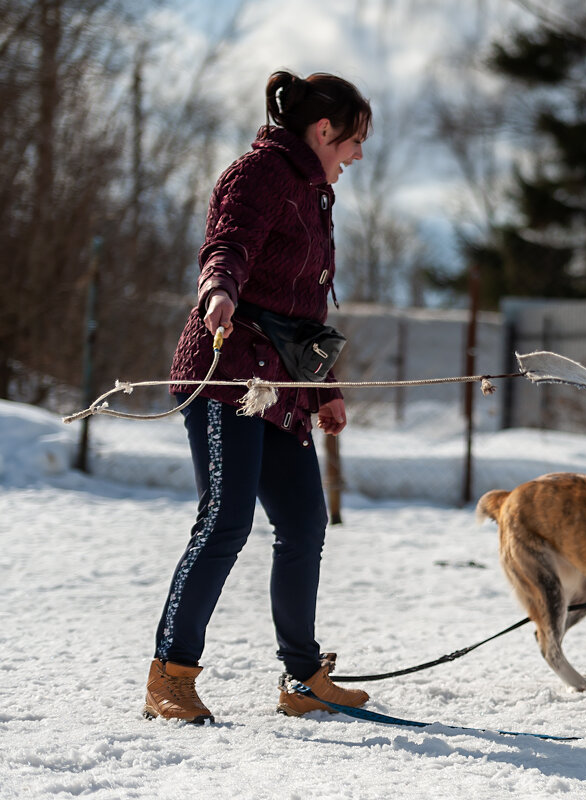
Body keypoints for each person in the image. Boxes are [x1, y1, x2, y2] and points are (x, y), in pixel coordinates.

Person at [144, 70, 373, 724]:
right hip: (228, 371)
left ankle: (303, 678)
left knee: (303, 522)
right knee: (226, 520)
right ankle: (170, 675)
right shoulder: (261, 173)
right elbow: (227, 245)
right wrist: (217, 290)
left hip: (283, 387)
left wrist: (324, 389)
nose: (357, 155)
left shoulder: (315, 192)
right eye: (354, 140)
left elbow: (300, 311)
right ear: (323, 130)